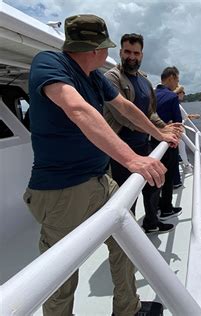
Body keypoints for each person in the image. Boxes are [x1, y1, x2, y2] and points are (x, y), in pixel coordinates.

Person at [23, 14, 178, 316]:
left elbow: (125, 107)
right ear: (96, 49)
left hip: (100, 180)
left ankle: (127, 309)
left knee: (127, 242)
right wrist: (132, 159)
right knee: (61, 274)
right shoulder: (49, 64)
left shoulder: (93, 77)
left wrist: (158, 133)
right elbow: (77, 108)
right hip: (62, 190)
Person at [104, 33, 178, 234]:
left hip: (143, 145)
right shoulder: (111, 78)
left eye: (136, 53)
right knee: (128, 196)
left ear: (142, 55)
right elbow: (124, 117)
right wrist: (158, 133)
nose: (131, 56)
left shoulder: (144, 81)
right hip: (121, 151)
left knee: (153, 186)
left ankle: (151, 223)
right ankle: (129, 236)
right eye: (127, 51)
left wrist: (165, 127)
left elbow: (150, 112)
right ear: (120, 52)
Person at [152, 67, 183, 219]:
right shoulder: (171, 97)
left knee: (156, 177)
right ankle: (166, 209)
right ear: (170, 78)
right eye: (177, 80)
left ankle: (156, 206)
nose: (177, 84)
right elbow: (178, 122)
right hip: (168, 143)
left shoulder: (151, 95)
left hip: (151, 142)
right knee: (169, 175)